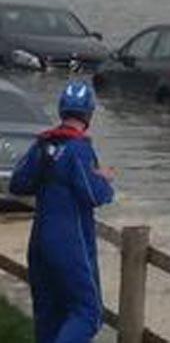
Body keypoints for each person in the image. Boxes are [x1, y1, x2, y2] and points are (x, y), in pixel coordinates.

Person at [9, 80, 115, 343]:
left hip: (40, 241)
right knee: (89, 313)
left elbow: (18, 183)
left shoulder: (44, 144)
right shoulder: (79, 149)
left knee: (49, 315)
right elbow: (95, 195)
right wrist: (104, 179)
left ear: (61, 110)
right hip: (70, 241)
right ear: (89, 113)